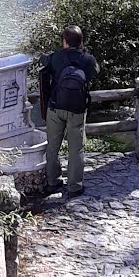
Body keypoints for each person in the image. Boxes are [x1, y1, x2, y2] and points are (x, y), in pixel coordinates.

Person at [39, 25, 99, 195]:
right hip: (77, 110)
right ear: (81, 41)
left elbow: (43, 62)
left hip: (55, 107)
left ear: (65, 41)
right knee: (76, 149)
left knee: (52, 147)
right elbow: (95, 71)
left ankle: (53, 182)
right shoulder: (88, 60)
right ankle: (74, 187)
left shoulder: (56, 57)